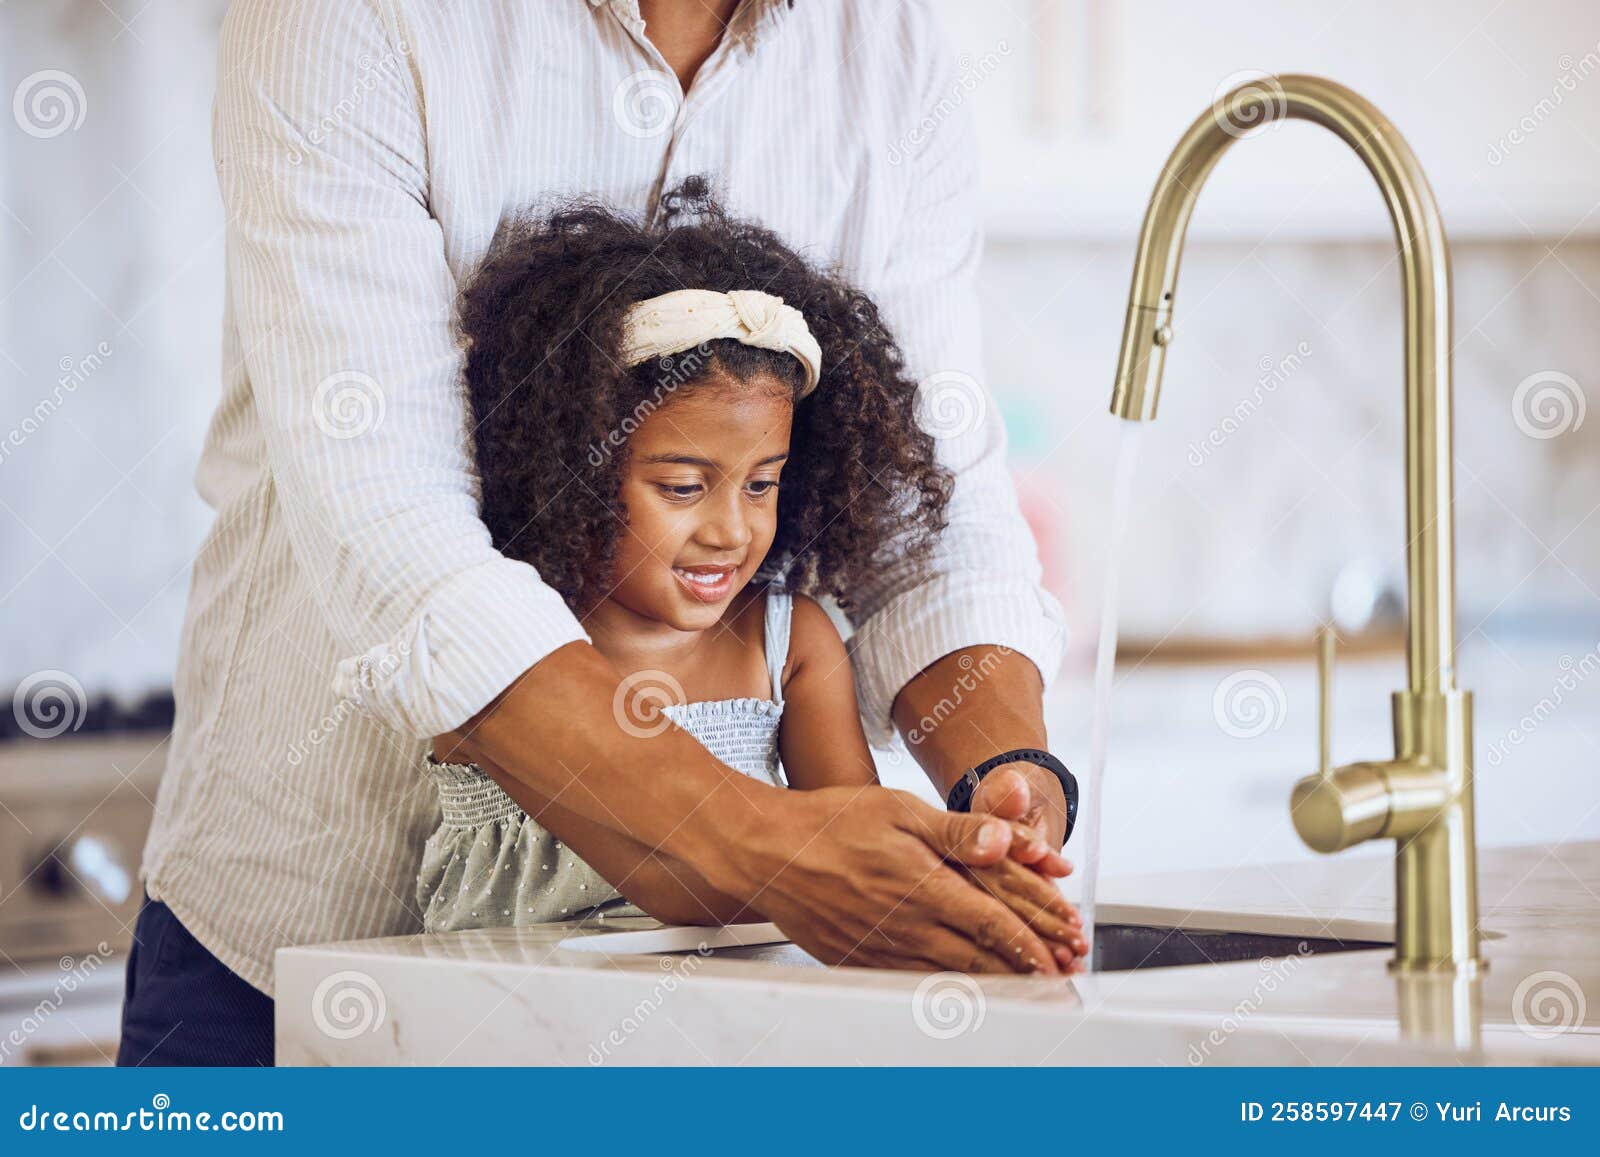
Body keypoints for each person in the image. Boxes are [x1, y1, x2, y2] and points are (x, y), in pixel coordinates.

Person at [120, 0, 1073, 1067]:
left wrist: (1002, 781)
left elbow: (928, 515)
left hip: (696, 1024)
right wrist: (766, 848)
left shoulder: (885, 40)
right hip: (285, 945)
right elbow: (400, 538)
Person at [414, 183, 1089, 973]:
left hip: (740, 1030)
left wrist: (969, 852)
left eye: (762, 483)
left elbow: (858, 839)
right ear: (568, 471)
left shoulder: (791, 643)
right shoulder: (509, 646)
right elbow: (668, 864)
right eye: (681, 486)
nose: (732, 528)